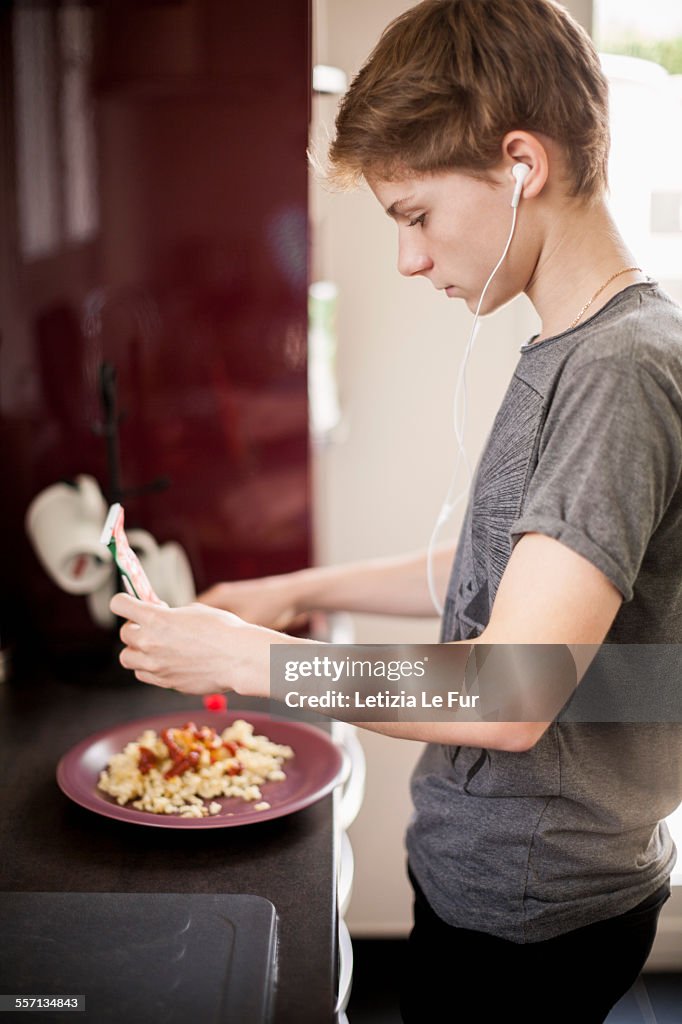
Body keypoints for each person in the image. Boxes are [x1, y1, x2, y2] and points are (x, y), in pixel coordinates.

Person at [112, 1, 682, 1020]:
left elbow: (513, 689)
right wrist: (293, 589)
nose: (410, 259)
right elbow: (500, 579)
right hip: (495, 882)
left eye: (414, 215)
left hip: (533, 914)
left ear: (521, 164)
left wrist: (250, 663)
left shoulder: (618, 370)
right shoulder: (573, 347)